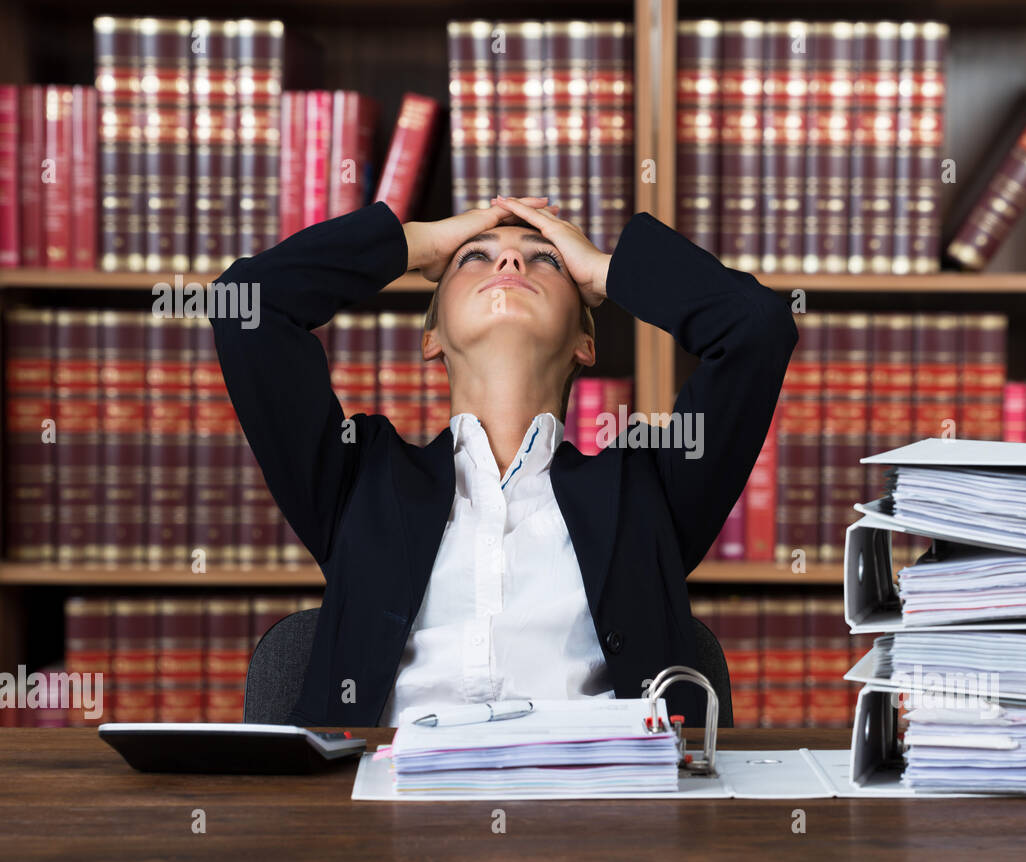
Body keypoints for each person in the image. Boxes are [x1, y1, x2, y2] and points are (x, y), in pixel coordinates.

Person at [210, 196, 797, 727]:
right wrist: (415, 242)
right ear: (432, 336)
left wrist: (605, 268)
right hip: (385, 818)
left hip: (605, 817)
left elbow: (757, 329)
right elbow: (248, 305)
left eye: (546, 260)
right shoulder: (358, 479)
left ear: (584, 343)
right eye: (476, 258)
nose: (511, 265)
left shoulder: (647, 488)